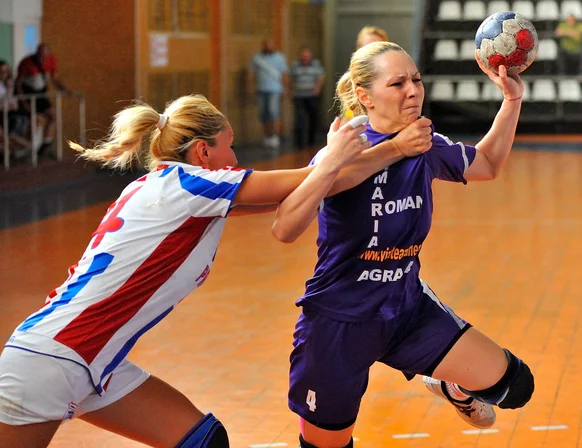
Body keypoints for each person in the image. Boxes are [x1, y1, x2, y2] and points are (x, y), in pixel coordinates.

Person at [0, 93, 429, 448]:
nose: (237, 156)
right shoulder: (192, 186)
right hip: (52, 362)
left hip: (92, 363)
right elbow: (309, 177)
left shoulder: (166, 189)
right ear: (204, 152)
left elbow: (306, 190)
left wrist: (370, 156)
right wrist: (379, 149)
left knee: (202, 440)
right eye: (230, 145)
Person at [273, 42, 535, 448]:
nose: (413, 91)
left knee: (516, 385)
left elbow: (487, 164)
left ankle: (452, 387)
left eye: (416, 80)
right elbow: (285, 227)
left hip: (406, 308)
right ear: (364, 97)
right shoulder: (342, 149)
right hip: (339, 322)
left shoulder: (425, 143)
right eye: (397, 83)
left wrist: (512, 100)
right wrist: (382, 152)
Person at [15, 43, 69, 158]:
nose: (42, 56)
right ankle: (27, 147)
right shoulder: (27, 62)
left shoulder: (51, 61)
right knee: (35, 121)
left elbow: (54, 78)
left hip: (41, 94)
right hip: (28, 94)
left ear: (48, 53)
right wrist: (22, 101)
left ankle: (46, 143)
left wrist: (64, 89)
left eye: (44, 54)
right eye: (40, 53)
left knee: (52, 117)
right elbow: (18, 82)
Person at [248, 39, 289, 149]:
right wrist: (250, 87)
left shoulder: (280, 58)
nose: (268, 47)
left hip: (274, 90)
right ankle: (267, 136)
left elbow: (284, 74)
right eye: (266, 45)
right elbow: (251, 73)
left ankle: (275, 136)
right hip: (261, 90)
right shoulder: (256, 58)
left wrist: (285, 88)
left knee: (273, 113)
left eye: (270, 45)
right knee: (262, 114)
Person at [290, 46, 325, 149]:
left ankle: (311, 141)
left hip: (311, 95)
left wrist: (317, 88)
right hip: (299, 95)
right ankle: (299, 143)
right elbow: (290, 78)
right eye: (303, 56)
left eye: (307, 56)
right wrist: (291, 90)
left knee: (313, 118)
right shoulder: (295, 65)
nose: (305, 58)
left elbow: (321, 77)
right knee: (299, 119)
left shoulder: (316, 65)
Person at [0, 60, 30, 159]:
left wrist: (9, 89)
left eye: (5, 71)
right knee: (7, 137)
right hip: (4, 114)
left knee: (10, 135)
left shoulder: (9, 84)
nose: (4, 74)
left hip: (9, 114)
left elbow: (13, 103)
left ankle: (27, 148)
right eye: (1, 72)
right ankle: (26, 148)